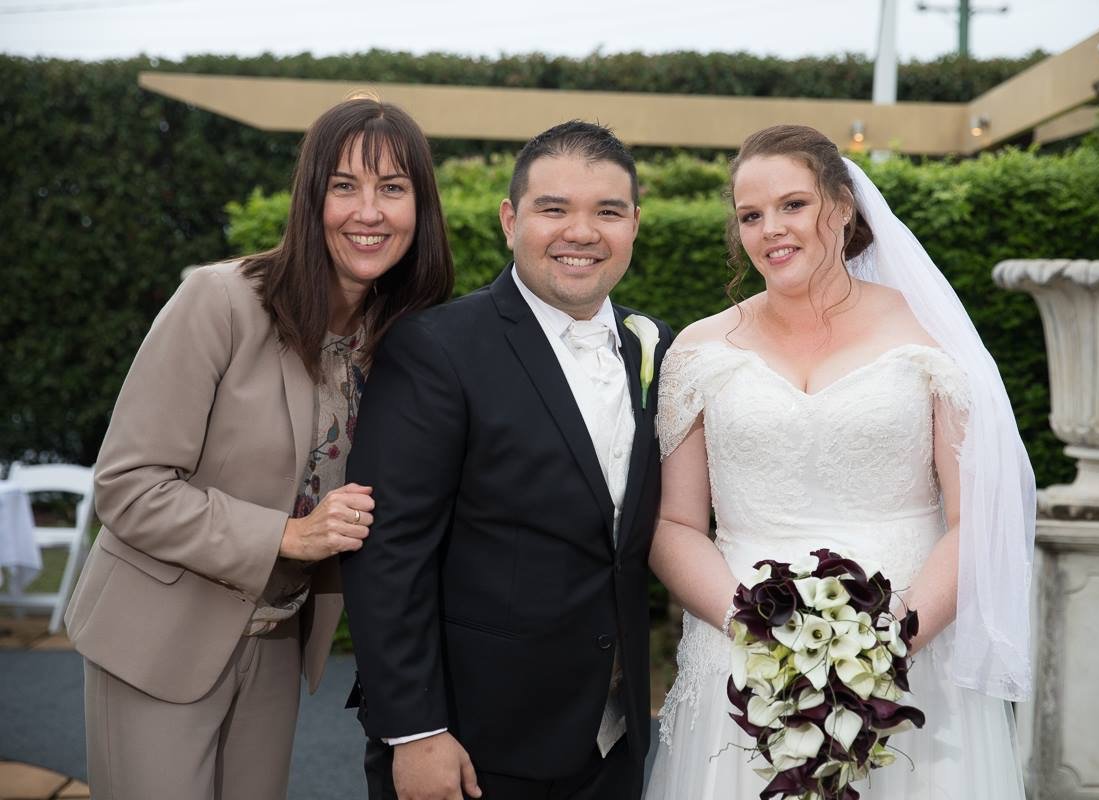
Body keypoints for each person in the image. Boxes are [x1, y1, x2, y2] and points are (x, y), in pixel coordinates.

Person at [64, 97, 454, 800]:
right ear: (311, 199)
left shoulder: (402, 340)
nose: (369, 211)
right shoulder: (218, 301)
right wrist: (286, 535)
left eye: (393, 189)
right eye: (344, 186)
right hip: (157, 638)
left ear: (420, 210)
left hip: (278, 643)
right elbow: (127, 485)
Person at [643, 124, 1037, 798]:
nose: (771, 228)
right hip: (739, 662)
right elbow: (673, 525)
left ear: (844, 208)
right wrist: (754, 631)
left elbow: (975, 519)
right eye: (750, 215)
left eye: (793, 204)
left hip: (909, 660)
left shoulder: (928, 336)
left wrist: (886, 648)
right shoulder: (699, 351)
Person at [340, 120, 671, 800]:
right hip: (471, 746)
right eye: (554, 209)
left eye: (607, 211)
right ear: (509, 219)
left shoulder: (657, 348)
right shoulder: (435, 348)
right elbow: (387, 551)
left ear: (635, 224)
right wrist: (414, 730)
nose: (582, 232)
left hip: (615, 739)